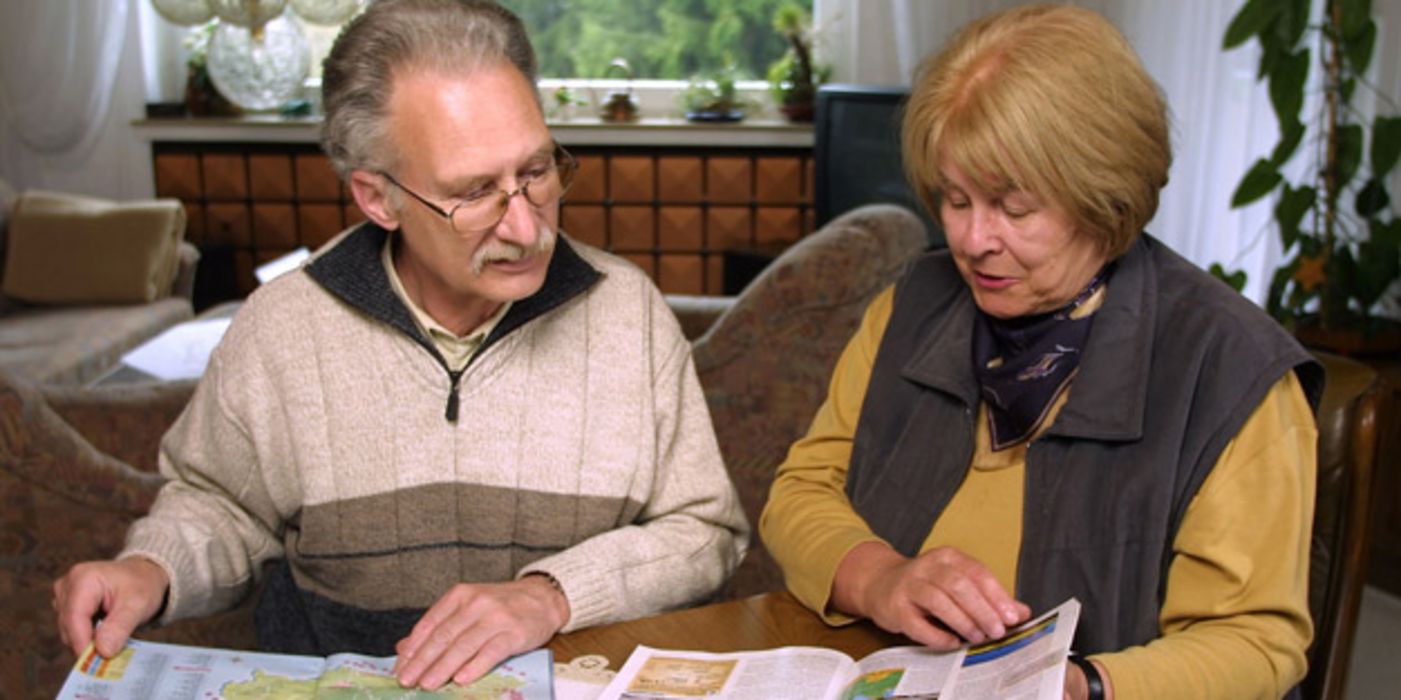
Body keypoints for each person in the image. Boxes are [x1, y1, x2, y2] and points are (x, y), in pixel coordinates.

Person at [53, 0, 748, 691]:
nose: (525, 227)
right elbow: (221, 504)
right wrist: (152, 568)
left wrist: (551, 596)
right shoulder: (280, 326)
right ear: (377, 198)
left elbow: (704, 531)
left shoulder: (628, 312)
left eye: (536, 172)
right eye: (473, 191)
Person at [760, 5, 1321, 699]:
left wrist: (1077, 687)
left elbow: (1257, 644)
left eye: (1013, 208)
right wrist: (877, 576)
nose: (971, 240)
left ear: (1104, 195)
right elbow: (800, 489)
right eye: (954, 198)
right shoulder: (912, 304)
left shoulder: (1229, 368)